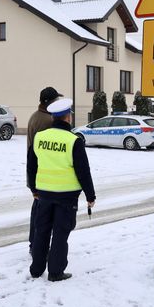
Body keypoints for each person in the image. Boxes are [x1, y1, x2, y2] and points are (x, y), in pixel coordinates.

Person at [27, 98, 95, 282]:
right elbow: (83, 171)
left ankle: (36, 269)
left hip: (44, 195)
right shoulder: (74, 141)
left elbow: (31, 166)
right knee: (60, 234)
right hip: (66, 197)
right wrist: (90, 195)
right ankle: (55, 272)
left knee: (41, 231)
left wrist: (33, 188)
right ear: (67, 117)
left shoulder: (40, 137)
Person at [26, 86, 62, 253]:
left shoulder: (35, 116)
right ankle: (37, 247)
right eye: (56, 101)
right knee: (42, 215)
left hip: (36, 172)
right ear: (49, 103)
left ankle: (34, 244)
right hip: (44, 174)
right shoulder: (48, 122)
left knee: (37, 210)